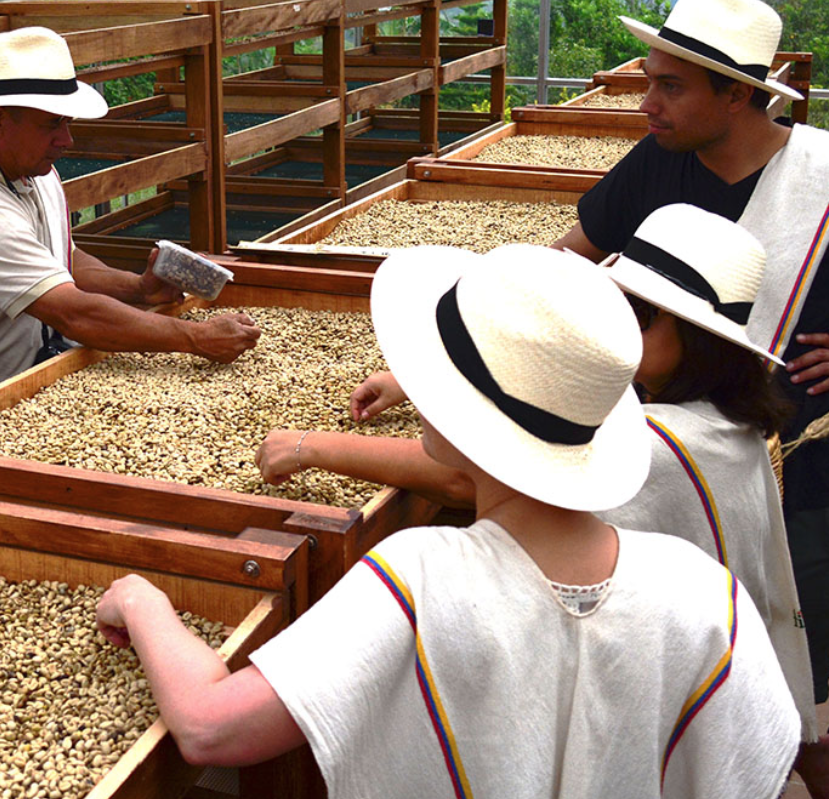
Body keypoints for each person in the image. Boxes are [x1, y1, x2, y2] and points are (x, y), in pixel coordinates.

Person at [99, 243, 799, 796]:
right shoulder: (703, 590)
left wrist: (142, 599)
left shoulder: (420, 575)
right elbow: (758, 761)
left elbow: (212, 729)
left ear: (457, 418)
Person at [550, 0, 829, 724]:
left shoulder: (822, 176)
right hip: (672, 461)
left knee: (801, 670)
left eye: (668, 87)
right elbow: (570, 260)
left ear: (738, 95)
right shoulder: (658, 161)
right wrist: (465, 341)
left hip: (806, 471)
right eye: (648, 81)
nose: (646, 103)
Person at [0, 27, 260, 435]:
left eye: (67, 122)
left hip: (13, 389)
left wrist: (138, 289)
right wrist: (196, 338)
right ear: (0, 120)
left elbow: (60, 259)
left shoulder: (31, 168)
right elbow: (73, 314)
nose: (67, 139)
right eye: (52, 124)